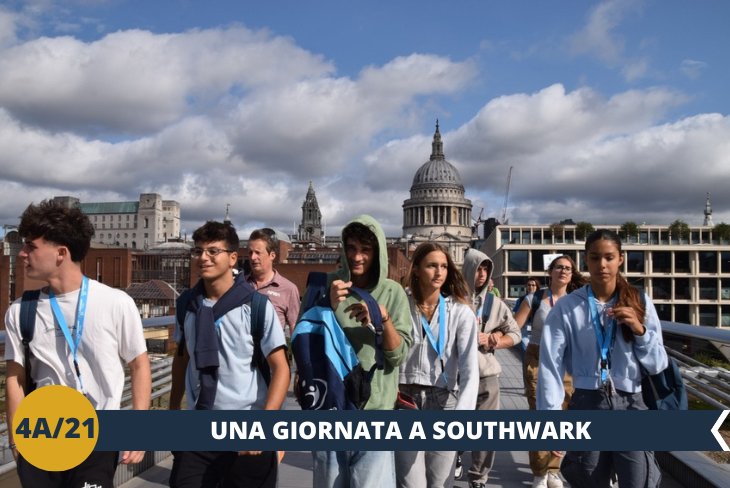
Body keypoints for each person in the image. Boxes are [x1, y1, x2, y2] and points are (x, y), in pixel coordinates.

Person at [4, 200, 151, 487]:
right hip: (39, 434)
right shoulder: (20, 310)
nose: (22, 253)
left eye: (31, 246)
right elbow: (16, 379)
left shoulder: (116, 302)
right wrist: (15, 442)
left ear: (61, 253)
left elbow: (139, 365)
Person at [537, 229, 667, 488]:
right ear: (586, 260)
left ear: (621, 258)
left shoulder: (639, 301)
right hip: (587, 402)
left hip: (631, 405)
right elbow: (550, 366)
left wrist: (640, 331)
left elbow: (657, 364)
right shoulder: (567, 306)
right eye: (595, 258)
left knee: (638, 481)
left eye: (609, 257)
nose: (602, 265)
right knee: (587, 480)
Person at [169, 221, 290, 488]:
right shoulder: (187, 305)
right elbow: (182, 359)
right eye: (198, 251)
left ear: (233, 257)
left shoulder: (257, 307)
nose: (203, 257)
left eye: (213, 251)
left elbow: (281, 368)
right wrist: (173, 409)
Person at [300, 215, 412, 488]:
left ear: (379, 253)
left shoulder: (393, 292)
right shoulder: (322, 285)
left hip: (375, 409)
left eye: (366, 250)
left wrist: (382, 318)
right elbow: (301, 343)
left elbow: (398, 357)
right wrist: (327, 307)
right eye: (351, 248)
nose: (357, 257)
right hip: (329, 409)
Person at [394, 242, 479, 488]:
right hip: (405, 398)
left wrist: (463, 415)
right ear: (417, 269)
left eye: (443, 266)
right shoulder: (400, 305)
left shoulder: (460, 312)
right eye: (432, 265)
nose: (439, 272)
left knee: (441, 482)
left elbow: (470, 368)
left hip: (444, 400)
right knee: (411, 483)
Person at [514, 256, 586, 488]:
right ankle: (539, 472)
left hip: (566, 361)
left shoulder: (577, 302)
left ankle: (553, 468)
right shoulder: (534, 298)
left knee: (562, 414)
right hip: (537, 357)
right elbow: (514, 328)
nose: (563, 271)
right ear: (550, 271)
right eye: (559, 267)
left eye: (567, 268)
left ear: (572, 273)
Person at [459, 249, 521, 488]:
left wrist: (495, 338)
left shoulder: (496, 303)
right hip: (455, 376)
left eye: (486, 269)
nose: (482, 274)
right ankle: (454, 457)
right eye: (478, 268)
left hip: (486, 374)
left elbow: (515, 334)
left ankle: (478, 477)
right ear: (468, 269)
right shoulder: (451, 299)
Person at [245, 228, 300, 338]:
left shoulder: (288, 288)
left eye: (258, 253)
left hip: (272, 353)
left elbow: (295, 328)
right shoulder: (240, 285)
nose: (252, 257)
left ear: (272, 255)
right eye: (250, 253)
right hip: (241, 353)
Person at [512, 277, 541, 358]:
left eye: (533, 285)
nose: (531, 287)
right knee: (526, 353)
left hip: (538, 331)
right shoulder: (521, 300)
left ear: (537, 287)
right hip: (525, 330)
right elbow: (516, 315)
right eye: (528, 285)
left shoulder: (541, 300)